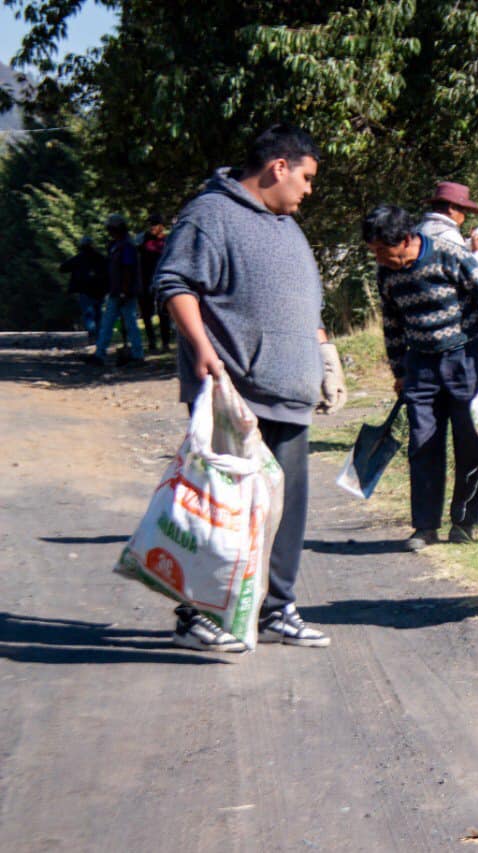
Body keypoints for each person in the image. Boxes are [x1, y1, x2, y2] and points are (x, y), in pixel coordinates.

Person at [154, 123, 347, 653]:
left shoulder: (287, 225)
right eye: (306, 177)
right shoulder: (209, 214)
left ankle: (275, 609)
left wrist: (323, 353)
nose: (309, 190)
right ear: (278, 167)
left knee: (285, 512)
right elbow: (175, 284)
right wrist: (204, 351)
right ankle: (195, 614)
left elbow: (303, 302)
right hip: (235, 394)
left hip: (290, 394)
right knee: (219, 513)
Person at [363, 203, 478, 551]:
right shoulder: (386, 273)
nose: (379, 259)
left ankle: (464, 522)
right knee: (423, 443)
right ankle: (424, 527)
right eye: (374, 253)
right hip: (420, 366)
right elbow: (392, 325)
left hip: (464, 360)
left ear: (405, 239)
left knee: (469, 442)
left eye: (383, 251)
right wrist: (399, 371)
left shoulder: (450, 255)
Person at [90, 214, 146, 366]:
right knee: (108, 323)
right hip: (116, 291)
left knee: (129, 323)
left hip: (125, 292)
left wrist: (124, 291)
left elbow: (127, 269)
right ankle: (100, 353)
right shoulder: (116, 245)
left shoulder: (127, 247)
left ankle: (137, 354)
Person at [136, 213, 171, 353]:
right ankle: (151, 342)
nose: (152, 227)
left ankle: (165, 343)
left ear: (162, 226)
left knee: (164, 313)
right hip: (145, 280)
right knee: (146, 313)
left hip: (162, 280)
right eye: (150, 224)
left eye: (155, 224)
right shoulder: (142, 240)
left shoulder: (168, 241)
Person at [419, 181, 478, 254]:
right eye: (463, 210)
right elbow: (472, 265)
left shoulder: (419, 228)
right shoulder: (450, 235)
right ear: (452, 208)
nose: (464, 216)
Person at [60, 236, 107, 342]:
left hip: (85, 291)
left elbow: (62, 268)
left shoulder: (79, 258)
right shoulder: (101, 258)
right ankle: (99, 337)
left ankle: (93, 336)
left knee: (89, 315)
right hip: (99, 291)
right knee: (98, 314)